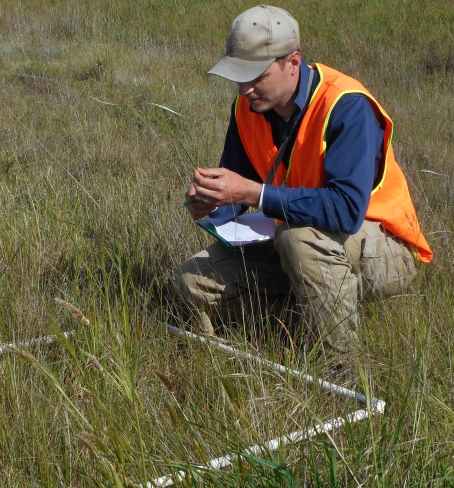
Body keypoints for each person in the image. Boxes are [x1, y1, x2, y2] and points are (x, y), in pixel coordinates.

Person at [173, 5, 432, 354]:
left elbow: (345, 210)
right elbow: (237, 184)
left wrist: (252, 193)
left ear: (292, 62)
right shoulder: (249, 108)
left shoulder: (346, 106)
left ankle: (340, 375)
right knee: (192, 279)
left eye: (256, 75)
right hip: (301, 242)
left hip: (384, 246)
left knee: (298, 239)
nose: (244, 89)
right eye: (238, 76)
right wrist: (211, 201)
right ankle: (287, 332)